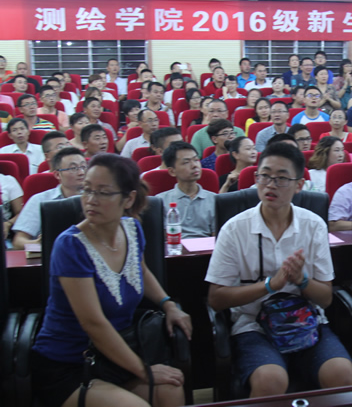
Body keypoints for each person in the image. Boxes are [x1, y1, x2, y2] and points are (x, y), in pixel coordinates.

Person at [31, 153, 191, 407]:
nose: (90, 200)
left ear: (129, 199)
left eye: (103, 193)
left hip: (117, 355)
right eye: (87, 190)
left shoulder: (132, 229)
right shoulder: (70, 246)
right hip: (72, 364)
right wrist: (144, 371)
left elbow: (140, 271)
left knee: (171, 390)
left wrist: (167, 304)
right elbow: (93, 323)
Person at [206, 142, 352, 397]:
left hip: (306, 321)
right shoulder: (234, 229)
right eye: (264, 176)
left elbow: (325, 299)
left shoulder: (314, 226)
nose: (270, 184)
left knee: (343, 375)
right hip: (254, 326)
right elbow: (216, 298)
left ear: (299, 185)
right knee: (270, 381)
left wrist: (302, 281)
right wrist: (269, 286)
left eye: (282, 178)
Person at [12, 147, 86, 250]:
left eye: (83, 167)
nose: (81, 172)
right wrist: (38, 245)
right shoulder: (39, 200)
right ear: (57, 175)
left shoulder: (96, 199)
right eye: (73, 168)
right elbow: (18, 241)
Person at [157, 142, 217, 239]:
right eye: (186, 162)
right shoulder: (161, 201)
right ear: (172, 171)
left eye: (196, 160)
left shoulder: (214, 199)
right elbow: (163, 239)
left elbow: (217, 237)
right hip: (175, 246)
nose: (194, 165)